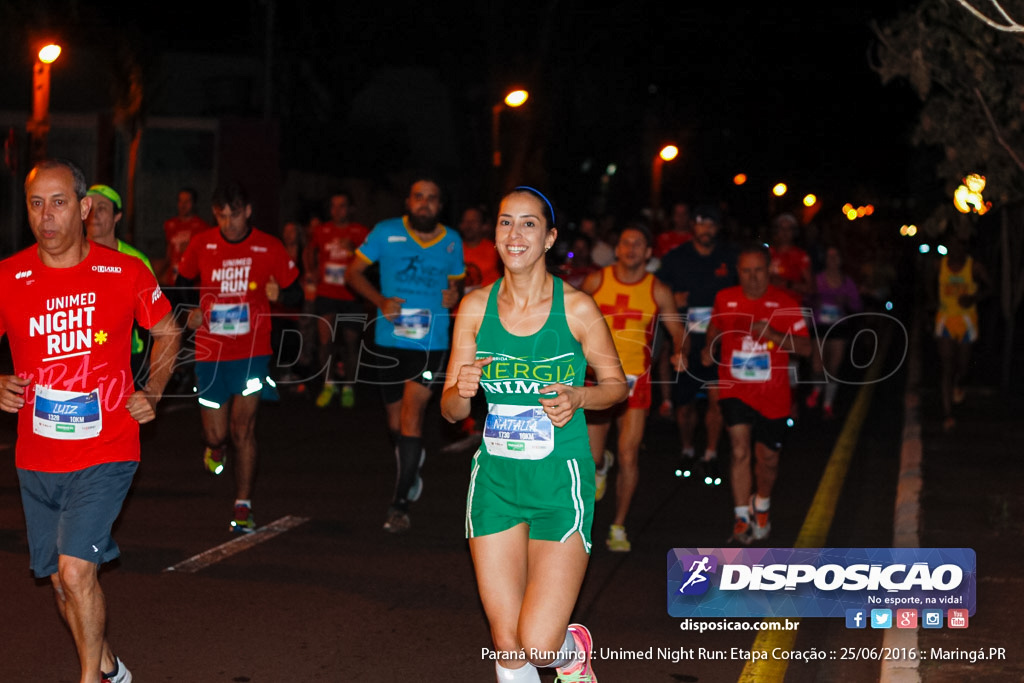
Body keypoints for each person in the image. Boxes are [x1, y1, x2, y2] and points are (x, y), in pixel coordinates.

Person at [0, 158, 180, 683]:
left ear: (83, 209)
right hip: (37, 455)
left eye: (59, 203)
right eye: (36, 204)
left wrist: (155, 389)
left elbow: (168, 331)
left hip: (108, 448)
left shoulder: (123, 271)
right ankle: (109, 666)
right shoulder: (10, 276)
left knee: (78, 570)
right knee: (61, 582)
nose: (47, 216)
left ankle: (90, 680)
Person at [441, 186, 627, 682]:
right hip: (496, 484)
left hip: (558, 486)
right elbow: (450, 407)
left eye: (528, 224)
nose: (514, 234)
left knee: (539, 645)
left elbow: (616, 386)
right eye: (505, 222)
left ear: (549, 239)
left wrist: (579, 396)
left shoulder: (579, 308)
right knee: (506, 642)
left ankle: (570, 650)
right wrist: (463, 389)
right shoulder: (475, 308)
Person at [176, 181, 301, 532]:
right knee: (217, 435)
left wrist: (282, 291)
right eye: (221, 215)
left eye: (233, 215)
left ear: (248, 211)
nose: (227, 222)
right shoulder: (202, 243)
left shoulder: (267, 246)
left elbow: (295, 291)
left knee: (242, 430)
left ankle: (243, 504)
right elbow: (182, 280)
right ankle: (214, 448)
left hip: (252, 351)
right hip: (210, 351)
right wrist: (190, 311)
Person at [346, 177, 465, 533]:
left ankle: (399, 505)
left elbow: (456, 285)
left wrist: (454, 296)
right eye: (419, 197)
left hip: (431, 342)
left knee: (413, 416)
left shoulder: (452, 241)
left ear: (440, 205)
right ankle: (410, 465)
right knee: (396, 424)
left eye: (432, 198)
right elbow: (352, 273)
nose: (425, 204)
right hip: (389, 340)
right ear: (408, 202)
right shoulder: (385, 233)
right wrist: (380, 301)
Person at [582, 222, 685, 552]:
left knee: (628, 455)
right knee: (590, 458)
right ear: (617, 248)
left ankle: (618, 525)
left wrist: (681, 351)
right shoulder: (597, 281)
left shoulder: (658, 289)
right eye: (625, 242)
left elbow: (676, 330)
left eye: (638, 244)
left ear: (649, 252)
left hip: (635, 381)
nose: (630, 249)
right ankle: (600, 468)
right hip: (596, 378)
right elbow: (572, 320)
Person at [701, 243, 810, 544]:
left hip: (773, 394)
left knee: (768, 458)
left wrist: (774, 336)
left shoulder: (786, 302)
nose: (752, 278)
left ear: (769, 269)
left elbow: (806, 347)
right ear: (738, 272)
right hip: (735, 387)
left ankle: (761, 504)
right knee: (738, 449)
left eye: (758, 270)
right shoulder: (725, 298)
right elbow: (715, 327)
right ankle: (740, 517)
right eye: (746, 271)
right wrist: (708, 350)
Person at [655, 206, 737, 483]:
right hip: (684, 338)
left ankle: (710, 454)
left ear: (717, 228)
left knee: (717, 399)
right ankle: (688, 448)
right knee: (685, 404)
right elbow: (656, 292)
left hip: (719, 339)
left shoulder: (729, 257)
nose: (706, 230)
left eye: (711, 224)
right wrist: (671, 299)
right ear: (693, 227)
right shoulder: (676, 258)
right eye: (701, 224)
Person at [84, 184, 157, 390]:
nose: (94, 214)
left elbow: (156, 322)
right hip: (79, 356)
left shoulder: (135, 261)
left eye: (102, 208)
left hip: (126, 358)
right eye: (89, 207)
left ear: (118, 216)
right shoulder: (68, 257)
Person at [304, 192, 369, 408]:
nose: (337, 210)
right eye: (333, 206)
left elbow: (374, 261)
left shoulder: (360, 232)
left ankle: (349, 387)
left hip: (352, 294)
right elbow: (309, 250)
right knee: (325, 341)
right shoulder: (322, 230)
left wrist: (355, 249)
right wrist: (311, 270)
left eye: (342, 206)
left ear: (350, 209)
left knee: (351, 343)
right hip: (327, 294)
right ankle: (329, 384)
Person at [933, 236, 990, 431]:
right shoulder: (939, 266)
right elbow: (927, 284)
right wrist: (931, 305)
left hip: (967, 321)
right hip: (946, 320)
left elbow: (991, 287)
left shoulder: (974, 267)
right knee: (947, 366)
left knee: (963, 366)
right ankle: (947, 413)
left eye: (960, 245)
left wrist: (974, 298)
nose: (956, 249)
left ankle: (960, 383)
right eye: (952, 245)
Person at [804, 245, 863, 419]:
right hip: (820, 325)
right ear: (825, 260)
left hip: (839, 326)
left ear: (841, 260)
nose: (833, 260)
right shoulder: (817, 280)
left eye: (836, 256)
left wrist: (845, 301)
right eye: (829, 257)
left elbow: (858, 305)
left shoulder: (847, 282)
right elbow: (806, 299)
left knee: (833, 367)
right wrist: (815, 302)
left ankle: (828, 404)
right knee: (817, 364)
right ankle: (816, 389)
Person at [159, 187, 210, 287]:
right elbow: (168, 254)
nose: (183, 205)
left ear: (194, 203)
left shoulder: (202, 227)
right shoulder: (170, 224)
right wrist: (159, 273)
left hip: (192, 282)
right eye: (180, 201)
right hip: (172, 280)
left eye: (187, 201)